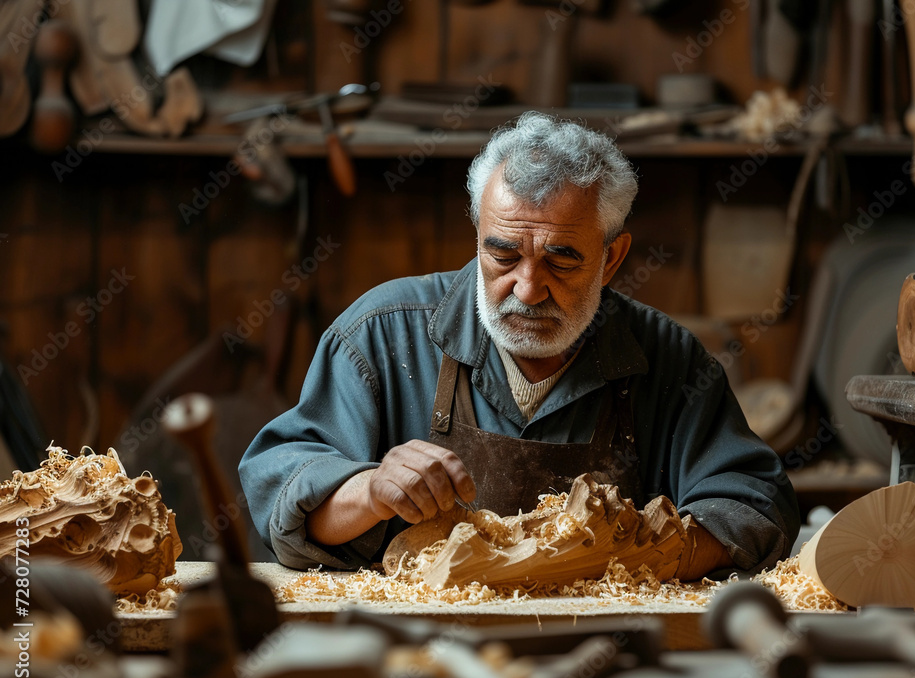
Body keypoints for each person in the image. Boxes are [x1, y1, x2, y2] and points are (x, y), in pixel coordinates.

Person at [239, 111, 799, 579]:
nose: (527, 290)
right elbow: (281, 494)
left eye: (561, 259)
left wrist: (642, 551)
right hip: (417, 648)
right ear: (478, 238)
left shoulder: (669, 359)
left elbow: (755, 502)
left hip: (607, 642)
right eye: (503, 255)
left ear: (613, 259)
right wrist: (371, 491)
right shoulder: (381, 334)